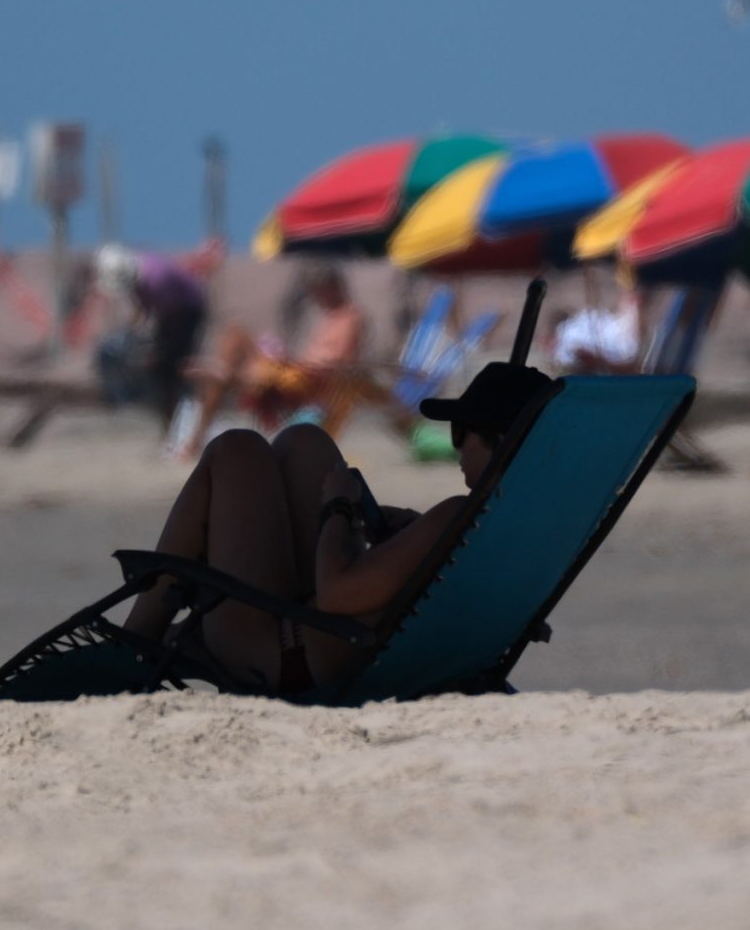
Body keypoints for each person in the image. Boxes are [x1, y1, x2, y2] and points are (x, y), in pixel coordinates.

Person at [122, 360, 551, 693]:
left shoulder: (460, 515)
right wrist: (409, 541)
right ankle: (167, 634)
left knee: (236, 449)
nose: (456, 447)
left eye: (462, 433)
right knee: (304, 442)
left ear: (499, 440)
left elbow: (337, 597)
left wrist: (339, 511)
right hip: (333, 645)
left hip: (285, 659)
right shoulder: (522, 526)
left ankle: (136, 642)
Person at [170, 265, 367, 453]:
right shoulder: (330, 316)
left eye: (320, 292)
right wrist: (289, 358)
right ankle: (223, 371)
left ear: (335, 286)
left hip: (309, 380)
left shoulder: (351, 317)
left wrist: (301, 363)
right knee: (235, 333)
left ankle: (223, 376)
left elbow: (340, 362)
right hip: (296, 369)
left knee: (223, 382)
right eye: (316, 293)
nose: (318, 299)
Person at [96, 246, 209, 425]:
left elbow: (170, 319)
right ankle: (169, 414)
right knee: (160, 363)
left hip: (187, 311)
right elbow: (141, 307)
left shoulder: (157, 279)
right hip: (172, 314)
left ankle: (185, 414)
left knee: (173, 364)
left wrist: (159, 351)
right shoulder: (138, 276)